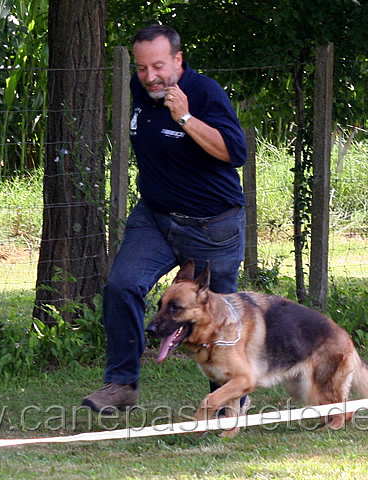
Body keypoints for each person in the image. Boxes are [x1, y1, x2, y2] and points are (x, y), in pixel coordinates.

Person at [82, 24, 248, 413]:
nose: (150, 77)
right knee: (122, 286)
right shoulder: (143, 90)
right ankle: (121, 385)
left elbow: (234, 152)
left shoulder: (204, 93)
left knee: (218, 314)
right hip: (155, 218)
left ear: (178, 59)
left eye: (158, 66)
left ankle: (230, 398)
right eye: (141, 69)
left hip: (212, 226)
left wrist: (186, 117)